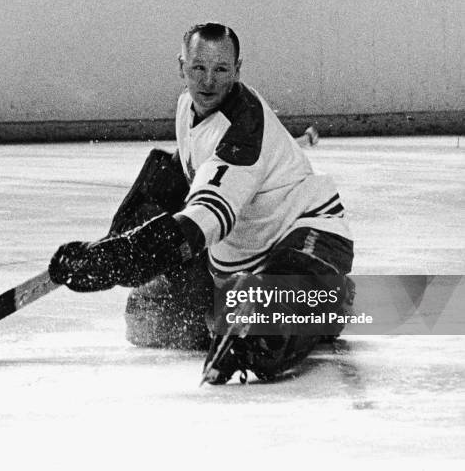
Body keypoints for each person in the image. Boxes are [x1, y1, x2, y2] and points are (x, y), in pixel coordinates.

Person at [49, 22, 354, 384]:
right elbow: (186, 170)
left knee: (263, 322)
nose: (208, 82)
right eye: (198, 68)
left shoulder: (243, 133)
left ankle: (324, 303)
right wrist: (115, 242)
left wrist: (117, 260)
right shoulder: (187, 107)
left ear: (237, 71)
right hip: (237, 258)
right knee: (150, 321)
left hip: (306, 233)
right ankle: (281, 306)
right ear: (182, 67)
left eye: (221, 70)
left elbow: (198, 226)